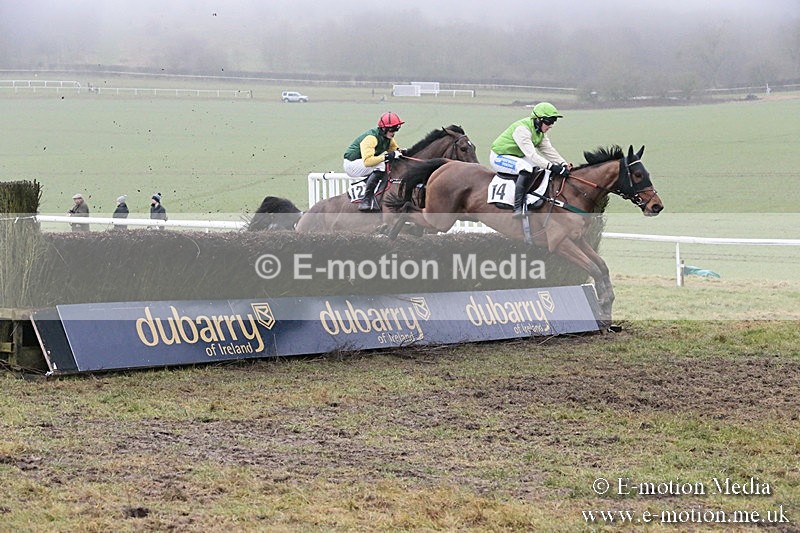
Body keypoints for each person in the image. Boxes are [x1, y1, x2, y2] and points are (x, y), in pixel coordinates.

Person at [489, 102, 572, 218]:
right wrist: (553, 167)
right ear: (538, 120)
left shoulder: (539, 132)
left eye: (553, 122)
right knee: (526, 168)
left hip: (516, 156)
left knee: (540, 169)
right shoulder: (522, 130)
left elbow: (548, 150)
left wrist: (563, 163)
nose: (551, 125)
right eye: (548, 122)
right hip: (499, 156)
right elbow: (532, 156)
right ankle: (518, 207)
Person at [343, 111, 405, 212]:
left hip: (363, 164)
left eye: (396, 129)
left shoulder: (388, 139)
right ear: (384, 129)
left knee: (387, 164)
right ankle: (366, 200)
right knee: (381, 165)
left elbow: (396, 152)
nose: (394, 132)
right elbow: (368, 161)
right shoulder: (371, 138)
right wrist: (387, 156)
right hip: (352, 165)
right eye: (392, 129)